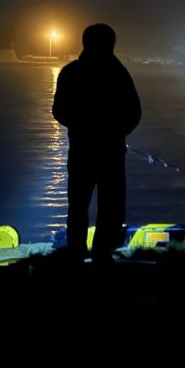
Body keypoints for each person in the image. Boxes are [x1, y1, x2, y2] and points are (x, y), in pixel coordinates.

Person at [52, 23, 141, 266]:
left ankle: (76, 252)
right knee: (110, 205)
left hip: (81, 150)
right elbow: (134, 112)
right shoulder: (119, 73)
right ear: (111, 43)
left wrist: (81, 126)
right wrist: (115, 132)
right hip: (111, 152)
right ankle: (103, 253)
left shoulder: (71, 72)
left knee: (78, 205)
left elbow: (58, 111)